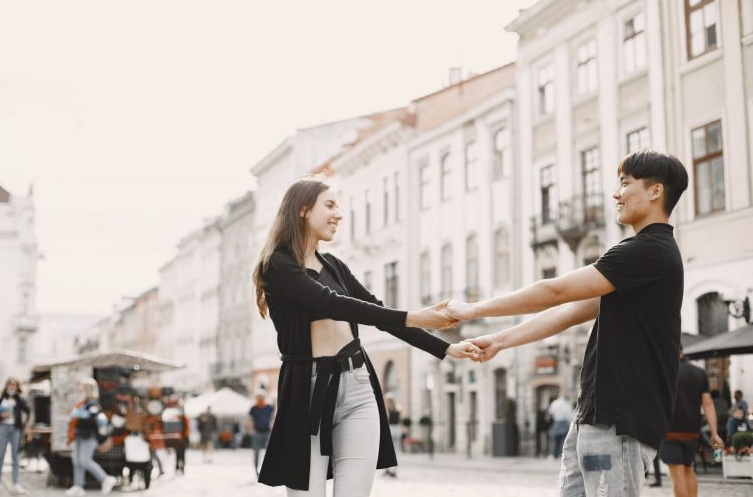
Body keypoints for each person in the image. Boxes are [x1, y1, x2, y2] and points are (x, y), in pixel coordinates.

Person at [445, 149, 690, 497]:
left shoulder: (649, 251)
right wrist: (501, 340)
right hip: (595, 415)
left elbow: (554, 290)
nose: (615, 193)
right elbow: (569, 311)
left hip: (620, 418)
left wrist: (473, 309)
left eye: (624, 183)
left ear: (656, 191)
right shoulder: (642, 256)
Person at [252, 176, 478, 495]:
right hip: (308, 390)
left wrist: (446, 349)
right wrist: (416, 316)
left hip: (357, 387)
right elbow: (329, 303)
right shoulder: (276, 265)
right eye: (329, 205)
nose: (338, 214)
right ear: (302, 209)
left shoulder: (334, 265)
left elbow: (376, 312)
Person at [660, 349, 722, 497]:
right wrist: (714, 433)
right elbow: (708, 404)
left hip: (670, 432)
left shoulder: (664, 370)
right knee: (688, 469)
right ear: (681, 351)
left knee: (677, 475)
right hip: (692, 433)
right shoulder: (699, 372)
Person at [65, 378, 117, 496]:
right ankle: (78, 486)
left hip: (89, 436)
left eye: (83, 387)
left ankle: (105, 479)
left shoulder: (93, 403)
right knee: (77, 461)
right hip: (79, 435)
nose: (80, 389)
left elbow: (92, 420)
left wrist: (81, 415)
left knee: (85, 461)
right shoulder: (84, 403)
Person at [0, 377, 31, 495]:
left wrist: (25, 425)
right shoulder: (0, 400)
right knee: (0, 456)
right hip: (3, 428)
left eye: (14, 384)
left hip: (15, 429)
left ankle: (16, 484)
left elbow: (28, 411)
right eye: (10, 384)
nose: (12, 386)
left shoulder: (20, 400)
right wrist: (1, 415)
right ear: (6, 386)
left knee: (16, 457)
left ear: (17, 387)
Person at [249, 391, 274, 478]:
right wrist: (251, 429)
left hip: (267, 432)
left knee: (269, 453)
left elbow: (273, 417)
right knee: (256, 453)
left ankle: (268, 471)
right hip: (257, 433)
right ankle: (256, 471)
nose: (259, 400)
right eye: (258, 398)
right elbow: (249, 420)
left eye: (261, 398)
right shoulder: (253, 409)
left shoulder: (269, 408)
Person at [383, 394, 401, 478]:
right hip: (397, 430)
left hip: (390, 429)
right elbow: (400, 421)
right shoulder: (398, 409)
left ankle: (387, 469)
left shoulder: (387, 410)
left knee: (387, 450)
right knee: (396, 450)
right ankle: (394, 470)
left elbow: (385, 421)